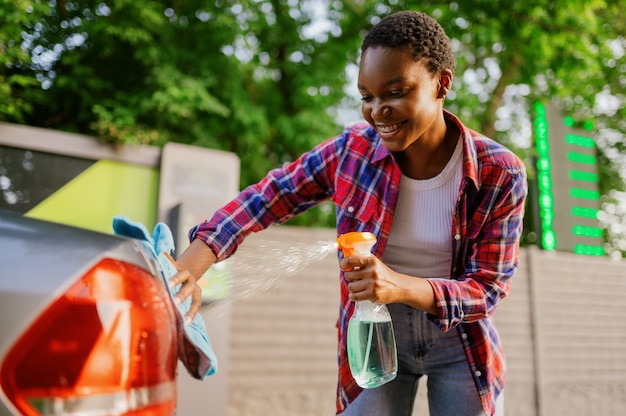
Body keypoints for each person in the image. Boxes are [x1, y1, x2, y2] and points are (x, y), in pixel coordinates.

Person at [170, 10, 527, 416]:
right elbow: (268, 196)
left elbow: (488, 287)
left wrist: (400, 285)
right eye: (367, 96)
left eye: (395, 92)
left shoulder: (499, 172)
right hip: (375, 330)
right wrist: (190, 268)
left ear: (441, 83)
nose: (378, 111)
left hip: (460, 342)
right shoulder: (352, 151)